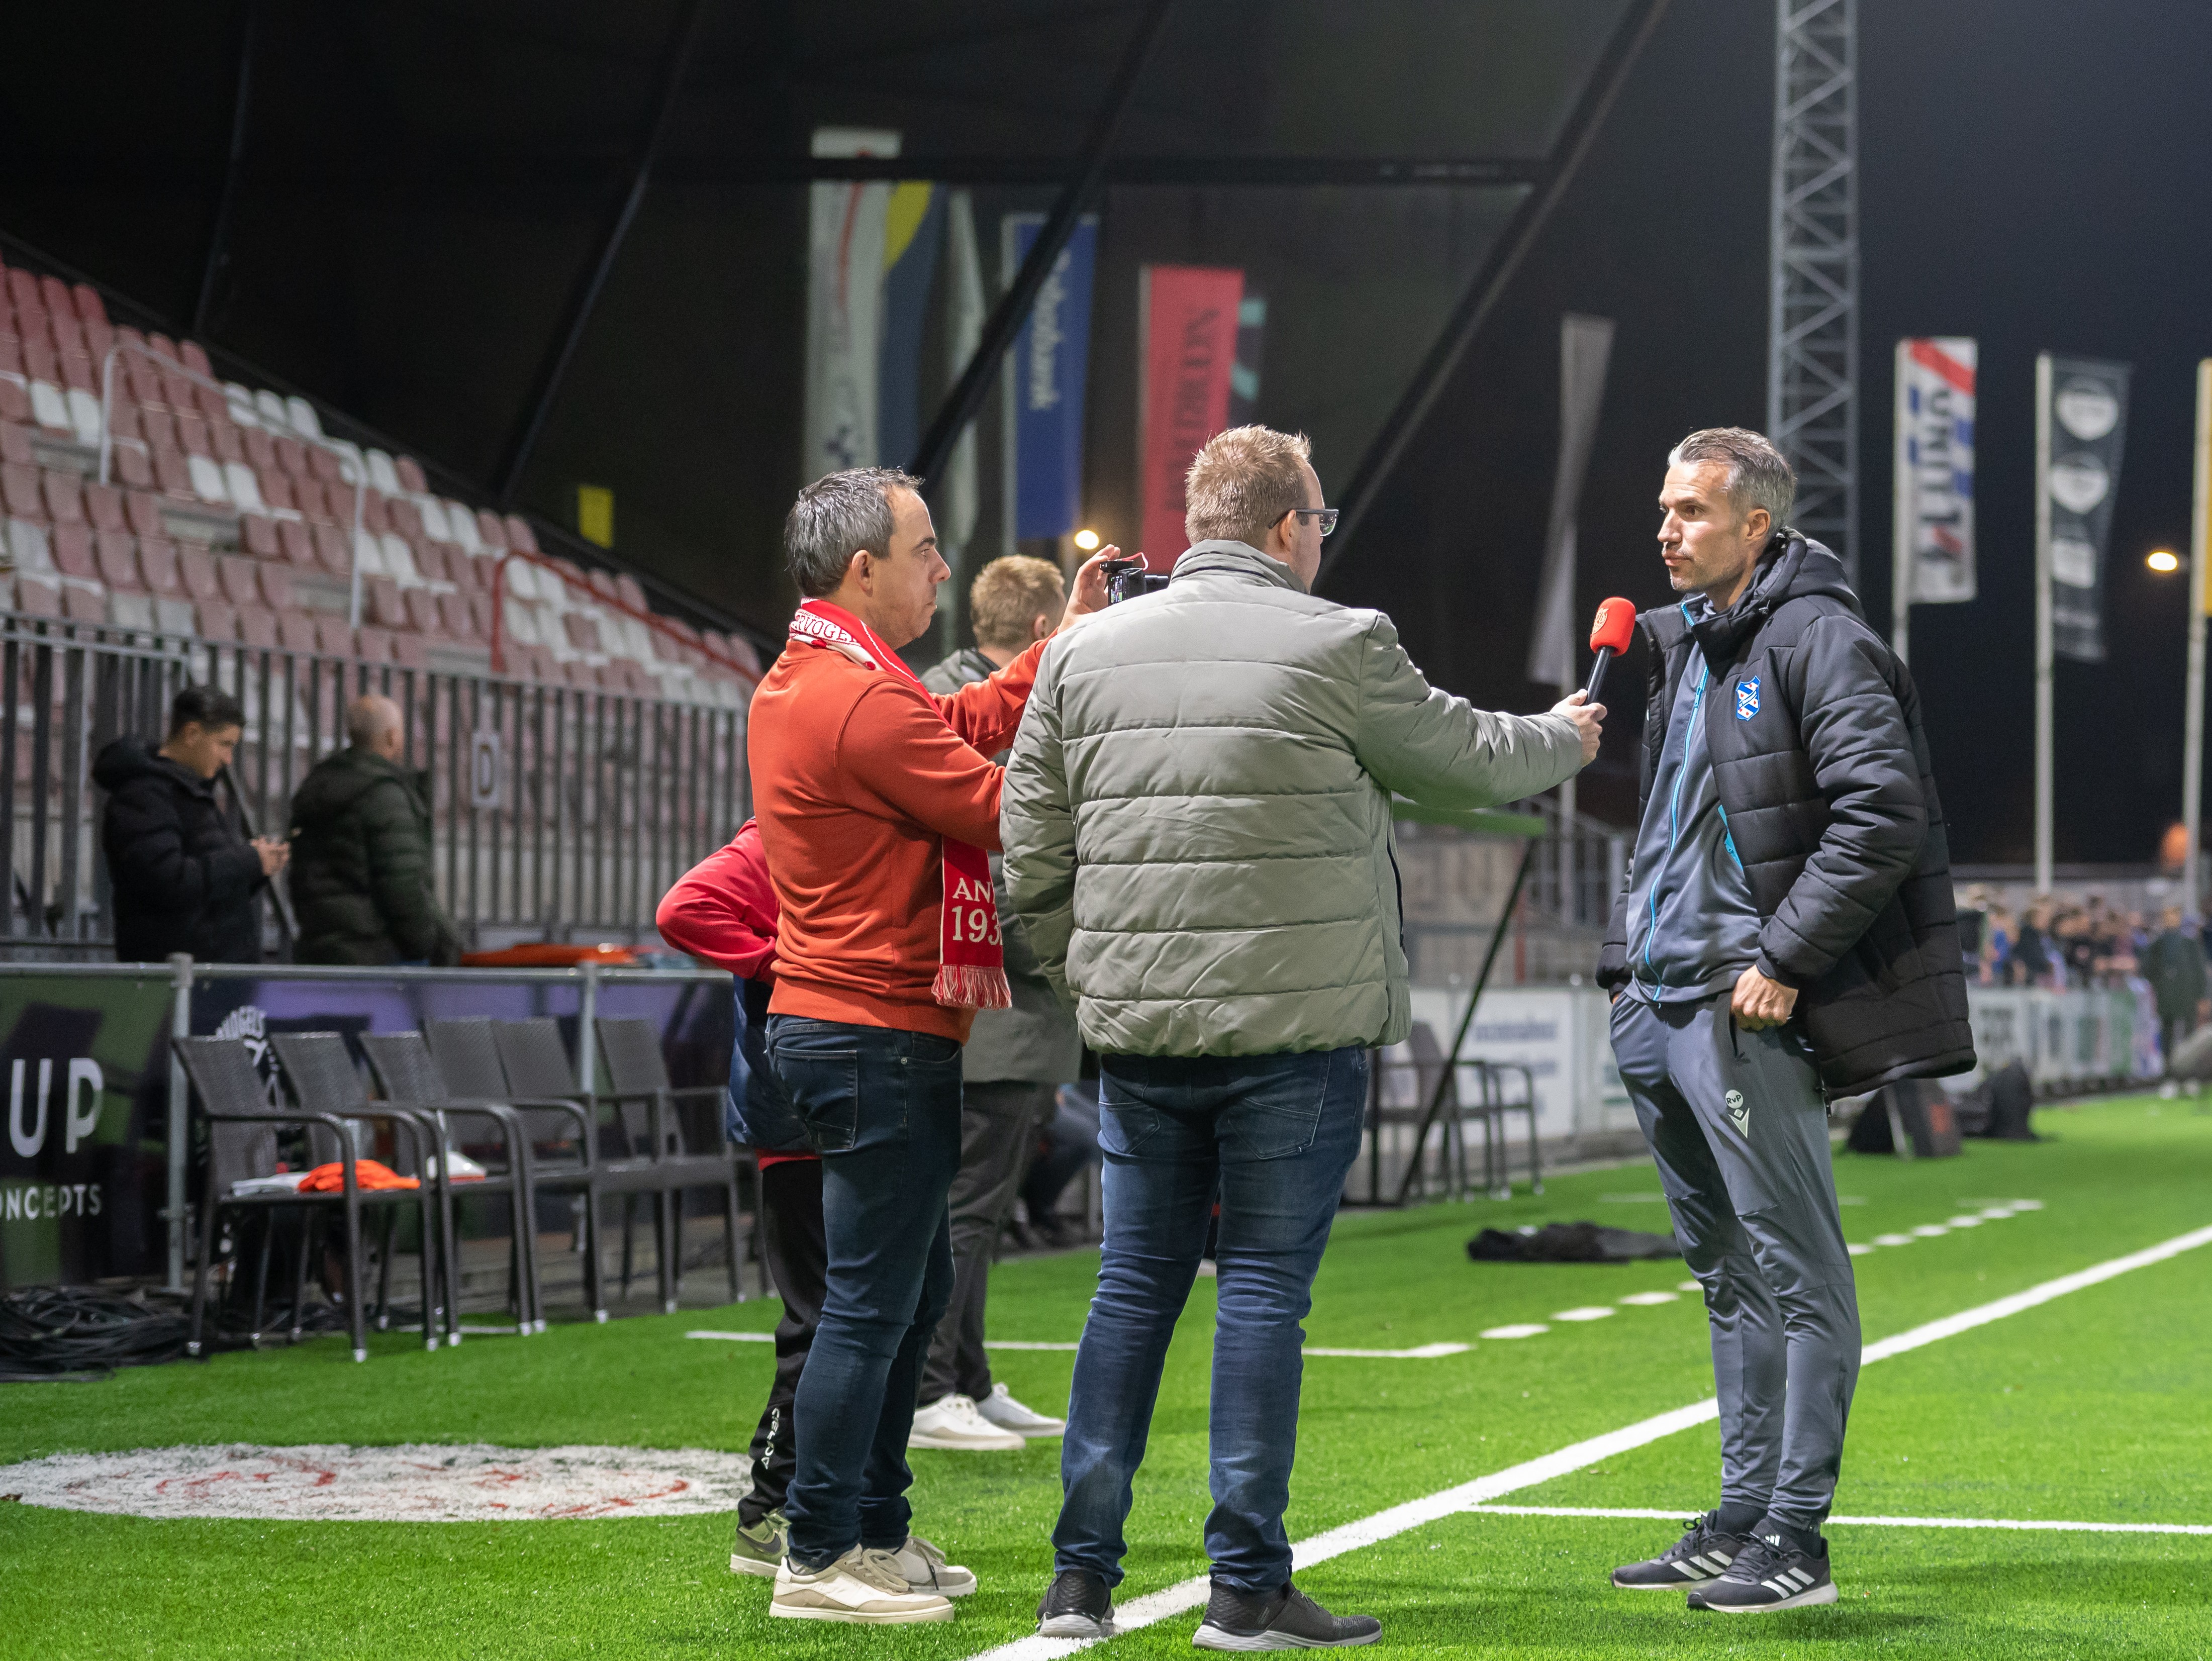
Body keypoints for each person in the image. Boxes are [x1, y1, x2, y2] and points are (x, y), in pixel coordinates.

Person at [1001, 424, 1599, 1648]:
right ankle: (1244, 1587)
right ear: (1287, 527)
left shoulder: (1080, 652)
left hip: (1140, 1036)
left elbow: (1029, 851)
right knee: (1262, 1292)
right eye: (1318, 518)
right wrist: (1566, 734)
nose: (1320, 537)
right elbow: (1464, 758)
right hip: (1295, 1034)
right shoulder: (1340, 640)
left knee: (1130, 1290)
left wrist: (1089, 977)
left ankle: (1077, 1580)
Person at [1596, 428, 1972, 1613]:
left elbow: (1882, 812)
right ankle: (1737, 1518)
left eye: (1692, 511)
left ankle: (1796, 1538)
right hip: (1654, 997)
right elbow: (1665, 826)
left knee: (1795, 1271)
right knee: (1725, 1274)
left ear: (1754, 524)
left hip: (1736, 1003)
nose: (1666, 529)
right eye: (1664, 508)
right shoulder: (1683, 643)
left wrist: (1783, 957)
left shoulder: (1816, 635)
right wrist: (1621, 968)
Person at [747, 466, 1111, 1624]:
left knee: (909, 1291)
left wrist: (1061, 641)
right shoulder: (854, 696)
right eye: (924, 550)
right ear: (864, 570)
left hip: (865, 1025)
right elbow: (999, 807)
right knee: (874, 1302)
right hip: (873, 1030)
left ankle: (870, 1526)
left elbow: (959, 722)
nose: (942, 571)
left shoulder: (831, 677)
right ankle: (818, 1552)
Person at [913, 555, 1084, 1453]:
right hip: (994, 1003)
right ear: (1045, 628)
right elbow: (1001, 872)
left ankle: (966, 1379)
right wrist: (1076, 954)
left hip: (999, 1004)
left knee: (976, 1203)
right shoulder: (979, 712)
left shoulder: (939, 692)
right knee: (968, 1206)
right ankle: (931, 1387)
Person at [95, 683, 286, 963]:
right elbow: (169, 882)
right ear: (192, 734)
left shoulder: (192, 791)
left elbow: (209, 890)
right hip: (180, 973)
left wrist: (259, 867)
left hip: (214, 968)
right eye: (224, 744)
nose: (228, 759)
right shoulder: (144, 795)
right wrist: (247, 860)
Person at [287, 696, 463, 965]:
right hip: (376, 952)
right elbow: (402, 883)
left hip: (319, 945)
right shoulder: (384, 795)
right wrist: (426, 945)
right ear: (392, 737)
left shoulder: (317, 785)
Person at [2142, 906, 2206, 1070]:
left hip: (2187, 995)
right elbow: (2148, 970)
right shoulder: (2157, 945)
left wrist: (2202, 996)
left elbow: (2199, 970)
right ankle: (2169, 1070)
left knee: (2189, 1034)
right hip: (2166, 996)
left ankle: (2189, 1070)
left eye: (2174, 915)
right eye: (2168, 916)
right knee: (2167, 1034)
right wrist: (2159, 986)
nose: (2171, 919)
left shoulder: (2189, 943)